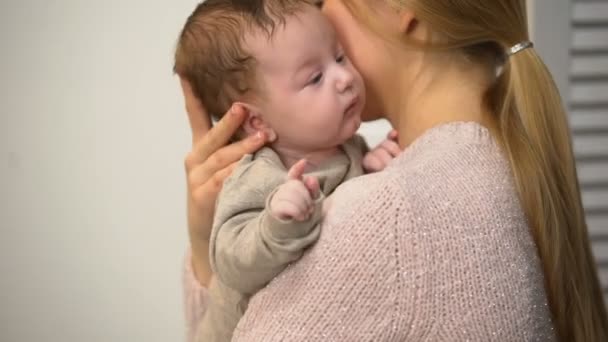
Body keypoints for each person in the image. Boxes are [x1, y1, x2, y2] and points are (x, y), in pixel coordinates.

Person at [178, 0, 608, 341]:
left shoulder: (389, 213)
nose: (316, 13)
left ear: (399, 10)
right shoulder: (504, 155)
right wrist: (208, 239)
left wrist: (203, 248)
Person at [174, 1, 400, 341]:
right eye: (315, 77)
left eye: (338, 56)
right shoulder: (259, 177)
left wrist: (373, 165)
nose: (344, 78)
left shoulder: (348, 146)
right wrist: (275, 225)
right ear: (257, 121)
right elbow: (231, 261)